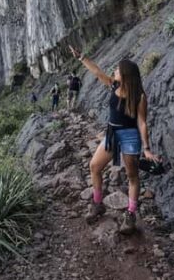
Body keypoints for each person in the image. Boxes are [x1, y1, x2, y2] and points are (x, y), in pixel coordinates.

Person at [69, 44, 161, 235]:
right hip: (112, 134)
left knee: (132, 176)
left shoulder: (139, 96)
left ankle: (130, 214)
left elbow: (142, 122)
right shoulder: (114, 85)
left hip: (129, 137)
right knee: (94, 166)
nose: (114, 71)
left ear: (125, 75)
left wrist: (146, 149)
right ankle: (97, 204)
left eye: (118, 70)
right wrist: (81, 57)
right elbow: (97, 72)